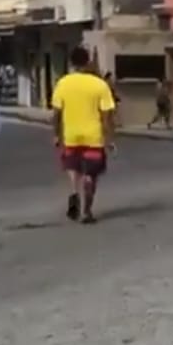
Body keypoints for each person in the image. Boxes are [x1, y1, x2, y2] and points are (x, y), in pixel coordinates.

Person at [52, 46, 116, 224]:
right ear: (88, 61)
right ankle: (87, 211)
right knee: (91, 174)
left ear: (71, 63)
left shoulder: (63, 83)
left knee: (73, 168)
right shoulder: (99, 85)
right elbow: (107, 115)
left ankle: (74, 193)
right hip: (93, 138)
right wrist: (109, 139)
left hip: (71, 136)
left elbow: (56, 112)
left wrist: (56, 135)